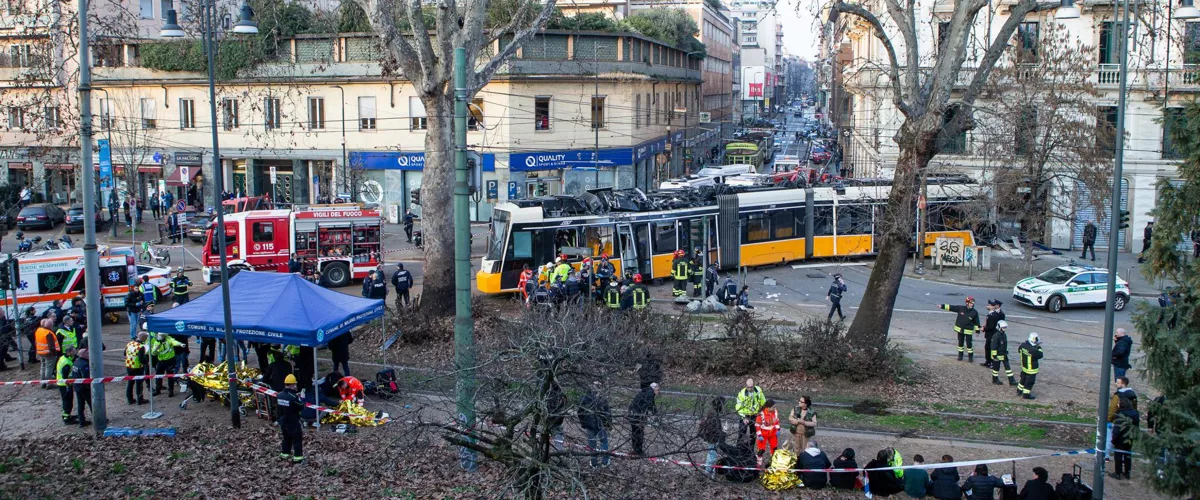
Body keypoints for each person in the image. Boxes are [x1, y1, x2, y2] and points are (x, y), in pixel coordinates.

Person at [578, 382, 612, 467]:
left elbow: (580, 412)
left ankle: (594, 463)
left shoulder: (585, 398)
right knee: (603, 442)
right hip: (600, 424)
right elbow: (607, 413)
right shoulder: (602, 399)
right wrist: (608, 425)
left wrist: (583, 423)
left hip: (590, 424)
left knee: (592, 444)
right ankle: (604, 462)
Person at [939, 296, 981, 362]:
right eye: (970, 303)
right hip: (960, 330)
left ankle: (970, 357)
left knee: (969, 344)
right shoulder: (961, 308)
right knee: (960, 343)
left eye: (973, 303)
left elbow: (977, 322)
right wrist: (942, 306)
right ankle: (960, 355)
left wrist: (977, 330)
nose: (972, 304)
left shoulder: (974, 312)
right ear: (967, 303)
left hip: (968, 331)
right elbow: (952, 307)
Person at [277, 374, 305, 464]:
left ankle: (285, 454)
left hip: (283, 421)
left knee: (286, 438)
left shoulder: (279, 395)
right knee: (297, 439)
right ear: (292, 385)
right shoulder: (293, 397)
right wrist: (302, 398)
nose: (296, 386)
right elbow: (300, 406)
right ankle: (298, 458)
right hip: (293, 422)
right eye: (295, 384)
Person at [1110, 396, 1139, 480]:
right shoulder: (1135, 413)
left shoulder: (1120, 414)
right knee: (1127, 454)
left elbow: (1117, 428)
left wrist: (1113, 439)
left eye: (1119, 403)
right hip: (1130, 437)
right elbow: (1136, 426)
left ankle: (1117, 473)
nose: (1117, 404)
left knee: (1118, 455)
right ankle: (1127, 472)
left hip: (1120, 438)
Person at [627, 382, 657, 457]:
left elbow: (651, 404)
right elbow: (648, 404)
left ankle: (635, 449)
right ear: (654, 388)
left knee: (635, 433)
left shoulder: (646, 392)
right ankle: (639, 451)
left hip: (633, 414)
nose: (658, 391)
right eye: (658, 389)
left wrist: (655, 412)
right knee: (639, 433)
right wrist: (644, 417)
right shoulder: (650, 393)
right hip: (638, 416)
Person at [698, 397, 725, 477]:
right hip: (713, 439)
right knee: (712, 455)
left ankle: (708, 468)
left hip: (711, 438)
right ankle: (708, 471)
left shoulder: (712, 413)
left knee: (710, 453)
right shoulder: (714, 416)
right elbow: (714, 431)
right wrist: (724, 432)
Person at [989, 320, 1017, 386]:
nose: (1005, 329)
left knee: (1008, 369)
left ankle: (1012, 381)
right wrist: (994, 356)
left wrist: (1006, 351)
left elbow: (1005, 344)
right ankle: (995, 379)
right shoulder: (996, 336)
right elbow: (993, 347)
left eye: (1005, 327)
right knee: (996, 369)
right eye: (1003, 328)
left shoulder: (1004, 335)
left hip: (1003, 354)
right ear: (999, 327)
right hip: (997, 355)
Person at [35, 318, 61, 390]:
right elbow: (51, 346)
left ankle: (43, 382)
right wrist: (54, 353)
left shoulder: (39, 330)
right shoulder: (48, 333)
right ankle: (49, 383)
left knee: (43, 367)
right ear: (50, 325)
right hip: (49, 354)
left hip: (41, 352)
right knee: (49, 368)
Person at [125, 332, 149, 405]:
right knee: (139, 383)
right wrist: (146, 362)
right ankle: (140, 399)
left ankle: (129, 399)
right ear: (144, 339)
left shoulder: (129, 344)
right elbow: (141, 359)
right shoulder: (141, 346)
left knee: (130, 383)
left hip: (129, 365)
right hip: (137, 367)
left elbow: (124, 353)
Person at [56, 346, 78, 425]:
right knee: (68, 401)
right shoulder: (67, 363)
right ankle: (66, 418)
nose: (75, 353)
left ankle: (67, 415)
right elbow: (65, 376)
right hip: (65, 384)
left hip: (61, 383)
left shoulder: (63, 358)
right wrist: (69, 385)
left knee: (66, 400)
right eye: (73, 352)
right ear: (69, 352)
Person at [1017, 332, 1043, 399]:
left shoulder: (1022, 345)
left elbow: (1019, 350)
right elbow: (1040, 355)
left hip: (1024, 367)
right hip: (1031, 370)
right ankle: (1026, 394)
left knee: (1022, 379)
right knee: (1030, 382)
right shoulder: (1034, 350)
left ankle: (1019, 391)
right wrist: (1039, 347)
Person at [981, 299, 1005, 369]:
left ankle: (991, 362)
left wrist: (984, 329)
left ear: (997, 306)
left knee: (992, 349)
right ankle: (988, 361)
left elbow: (995, 325)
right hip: (990, 334)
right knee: (987, 348)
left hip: (993, 334)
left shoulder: (999, 314)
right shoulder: (992, 313)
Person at [71, 348, 92, 427]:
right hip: (84, 388)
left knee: (80, 405)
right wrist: (90, 388)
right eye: (87, 353)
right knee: (92, 404)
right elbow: (86, 378)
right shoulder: (85, 365)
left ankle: (81, 421)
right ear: (83, 355)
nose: (89, 355)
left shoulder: (76, 362)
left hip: (77, 386)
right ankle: (99, 419)